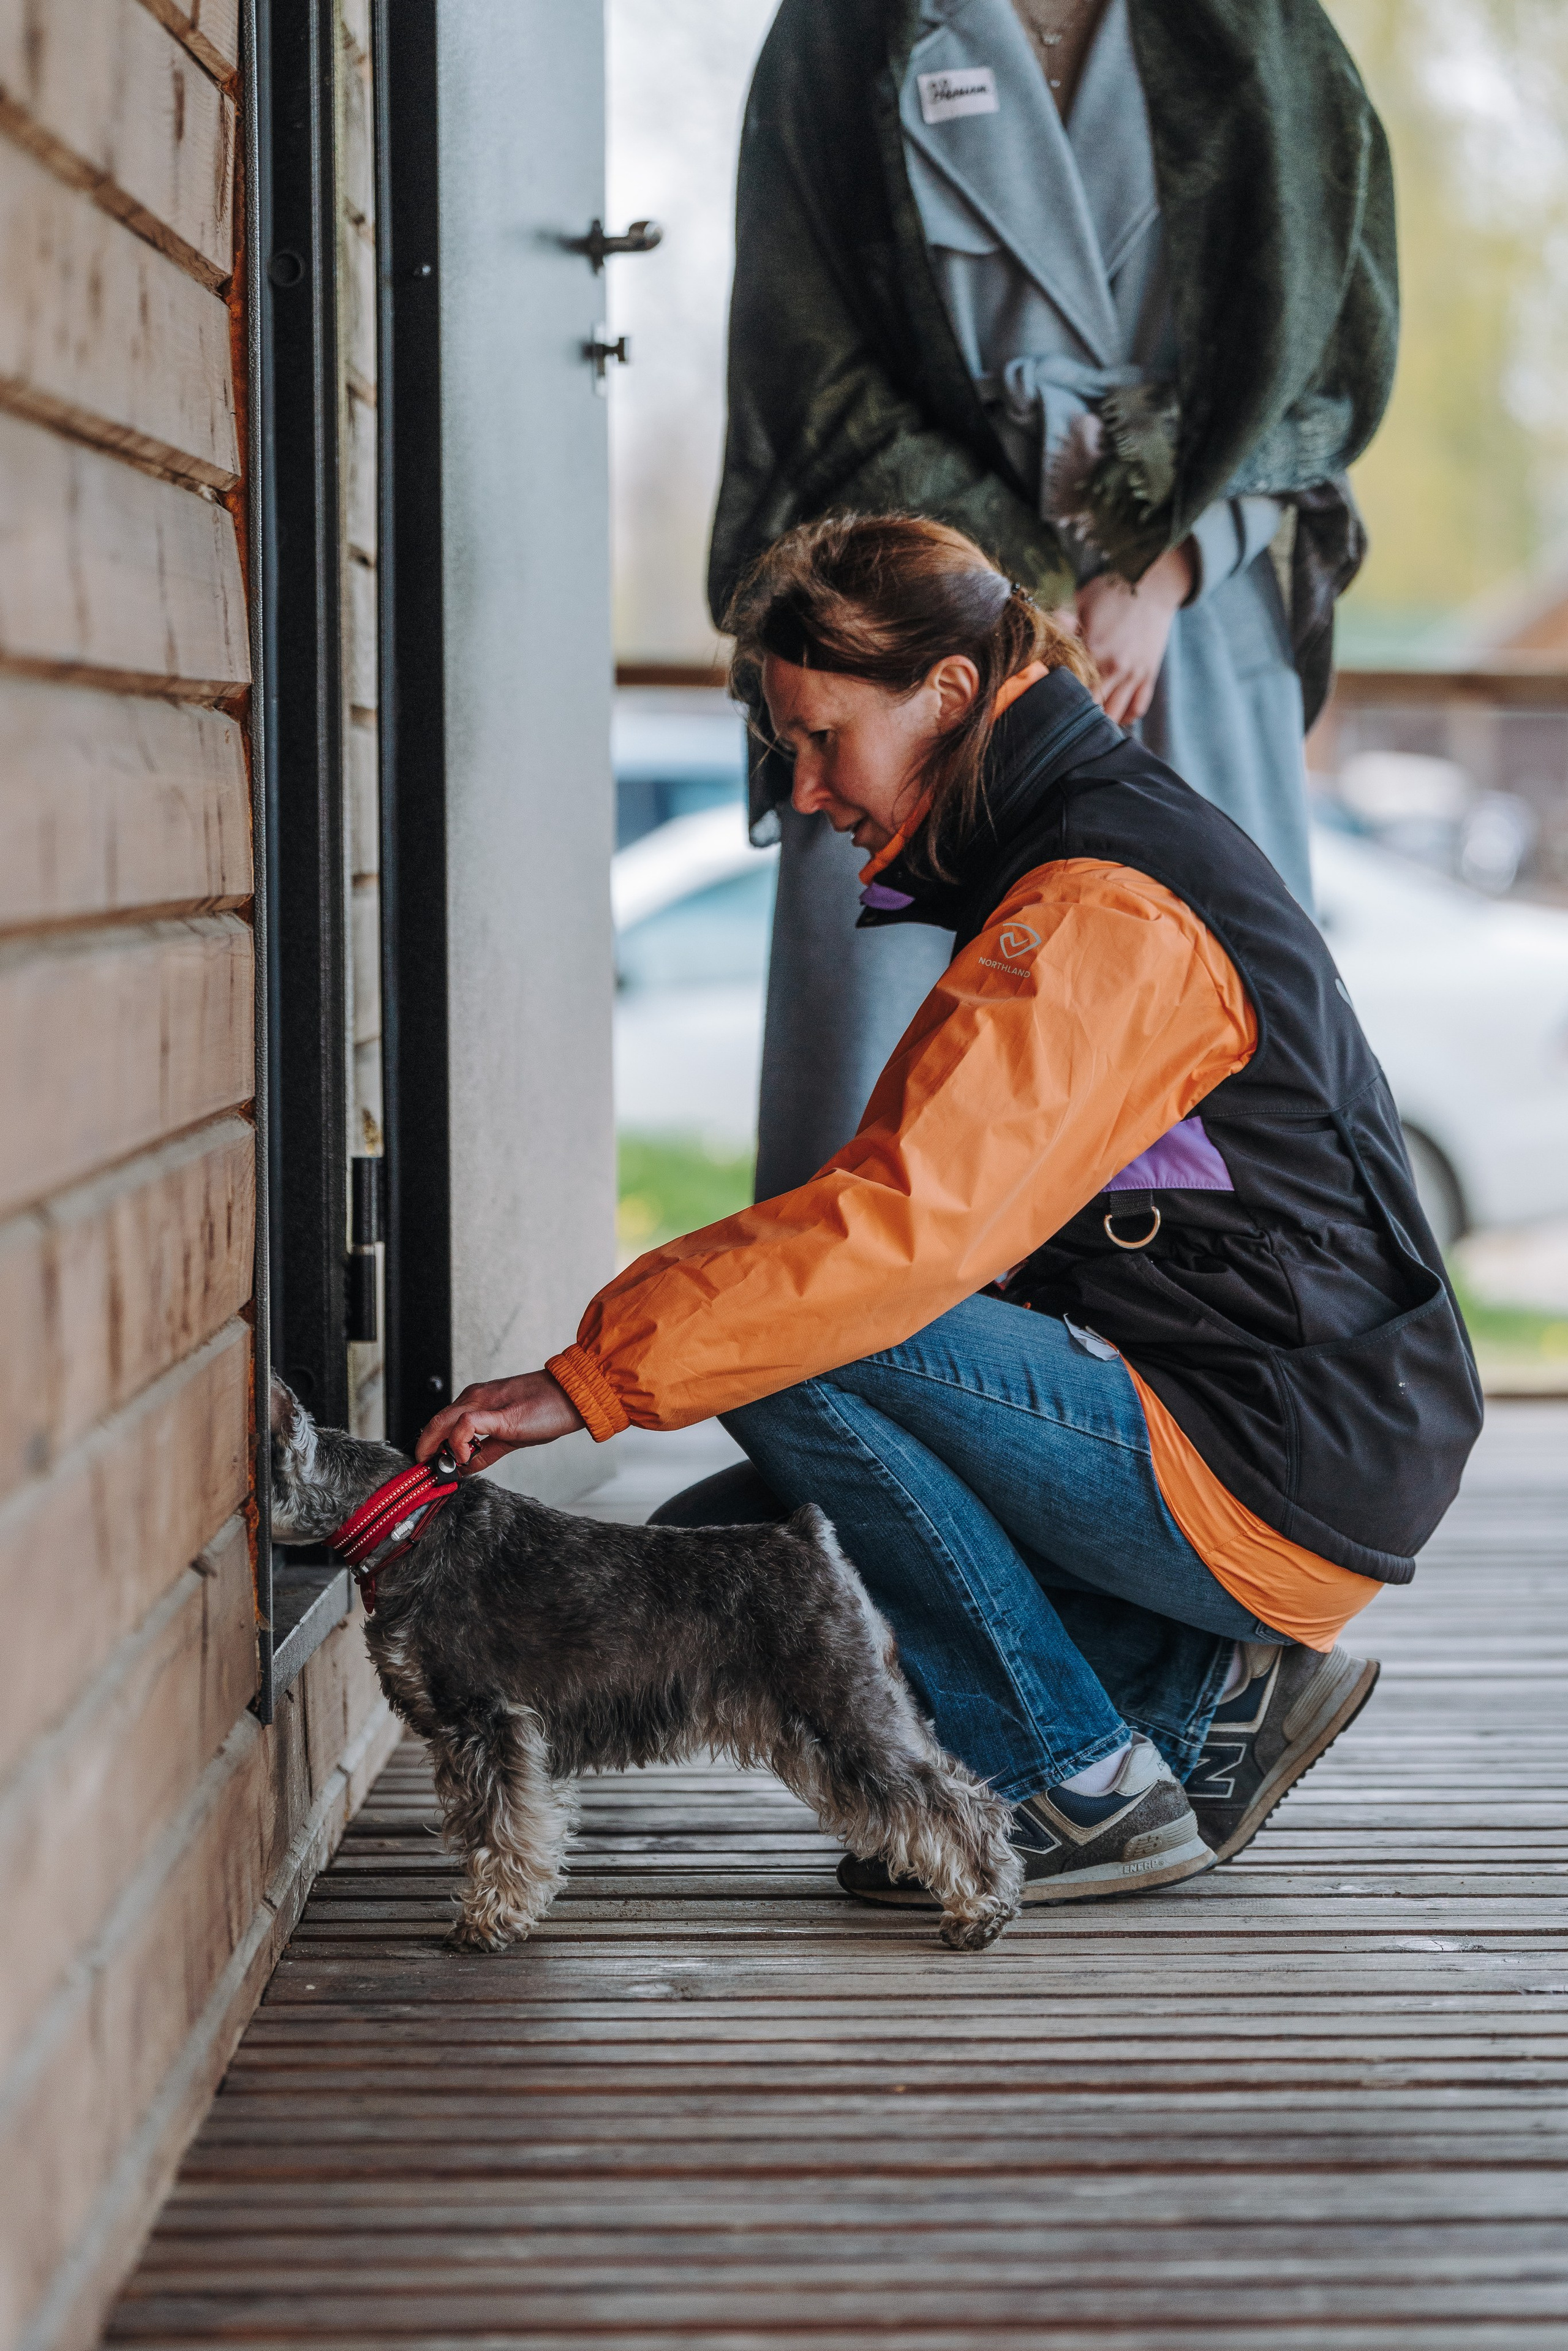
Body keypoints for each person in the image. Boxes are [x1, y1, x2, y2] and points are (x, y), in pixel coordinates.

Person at [420, 516, 1480, 1909]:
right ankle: (1194, 1682)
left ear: (949, 692)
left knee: (802, 1339)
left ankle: (1066, 1777)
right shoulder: (1062, 843)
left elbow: (893, 1235)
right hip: (1255, 1412)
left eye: (821, 739)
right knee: (728, 1540)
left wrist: (591, 1378)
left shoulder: (1100, 897)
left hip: (1270, 1448)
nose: (806, 791)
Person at [710, 0, 1399, 1199]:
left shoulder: (1268, 28)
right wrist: (1018, 592)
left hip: (1192, 615)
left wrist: (1161, 567)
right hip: (916, 632)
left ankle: (1188, 1331)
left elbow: (1329, 349)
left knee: (1213, 1090)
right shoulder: (839, 32)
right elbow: (804, 365)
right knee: (885, 1132)